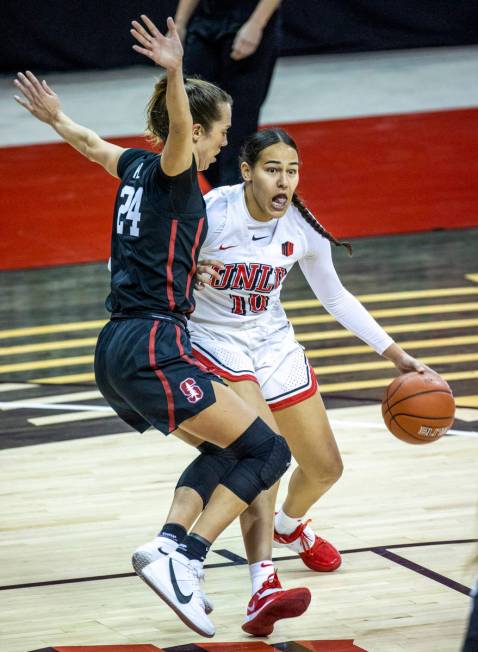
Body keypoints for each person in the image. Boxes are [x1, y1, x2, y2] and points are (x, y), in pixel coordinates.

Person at [12, 18, 309, 639]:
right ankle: (188, 559)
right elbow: (179, 126)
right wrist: (175, 70)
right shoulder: (176, 170)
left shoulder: (137, 169)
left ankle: (167, 544)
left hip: (118, 347)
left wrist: (55, 119)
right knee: (270, 450)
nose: (224, 144)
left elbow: (90, 143)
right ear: (194, 132)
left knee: (227, 449)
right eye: (220, 132)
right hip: (154, 342)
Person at [134, 127, 433, 636]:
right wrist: (187, 276)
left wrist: (398, 357)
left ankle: (290, 525)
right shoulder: (212, 212)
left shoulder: (302, 227)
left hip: (272, 343)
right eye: (273, 169)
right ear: (247, 171)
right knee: (267, 454)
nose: (285, 180)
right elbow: (155, 262)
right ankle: (262, 584)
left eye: (292, 170)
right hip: (215, 341)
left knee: (325, 468)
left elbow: (336, 297)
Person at [173, 0, 281, 187]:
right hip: (204, 22)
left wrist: (256, 24)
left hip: (248, 20)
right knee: (198, 113)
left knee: (239, 124)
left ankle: (235, 199)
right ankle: (223, 189)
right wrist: (179, 25)